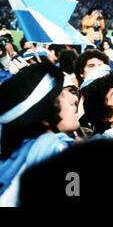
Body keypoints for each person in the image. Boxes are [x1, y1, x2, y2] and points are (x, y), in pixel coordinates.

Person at [0, 63, 80, 206]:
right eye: (61, 95)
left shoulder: (15, 158)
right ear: (44, 115)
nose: (74, 99)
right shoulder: (57, 150)